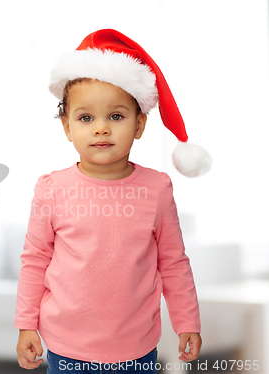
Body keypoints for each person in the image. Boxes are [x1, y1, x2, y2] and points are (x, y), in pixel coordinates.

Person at [14, 29, 212, 373]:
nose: (101, 128)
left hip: (136, 348)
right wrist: (25, 323)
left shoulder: (157, 188)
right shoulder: (52, 188)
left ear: (139, 124)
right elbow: (35, 260)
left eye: (116, 116)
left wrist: (187, 321)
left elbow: (174, 263)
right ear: (66, 126)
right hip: (67, 346)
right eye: (86, 118)